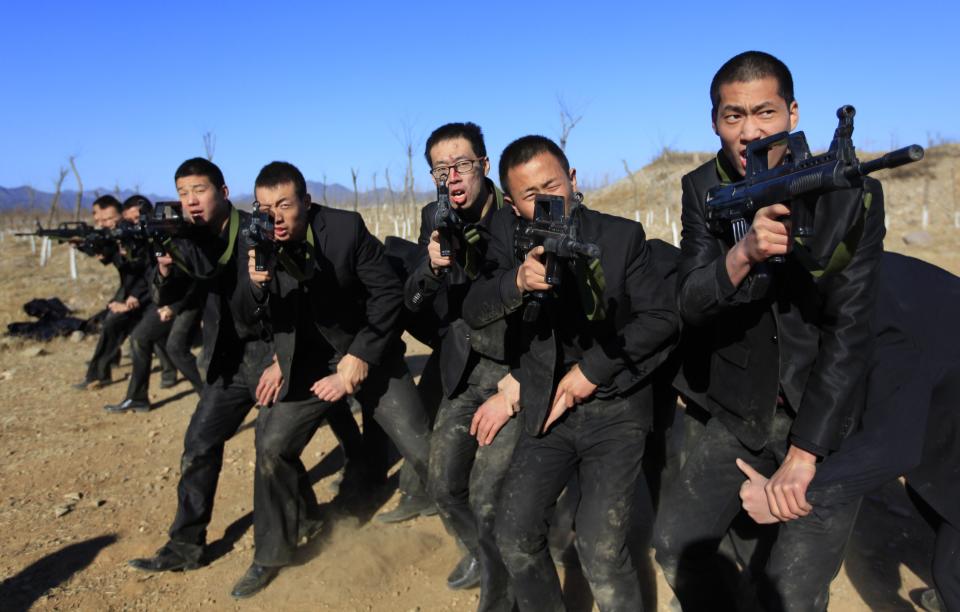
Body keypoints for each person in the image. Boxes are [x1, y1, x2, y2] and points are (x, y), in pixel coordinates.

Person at [653, 50, 885, 611]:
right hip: (741, 407)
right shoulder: (701, 187)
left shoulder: (850, 190)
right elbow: (690, 300)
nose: (749, 131)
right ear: (714, 121)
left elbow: (850, 327)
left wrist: (806, 454)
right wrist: (742, 256)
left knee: (794, 590)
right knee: (675, 545)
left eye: (765, 113)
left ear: (794, 112)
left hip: (824, 412)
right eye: (733, 116)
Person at [463, 135, 679, 611]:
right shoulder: (509, 238)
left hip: (616, 408)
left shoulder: (622, 237)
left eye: (552, 185)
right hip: (549, 409)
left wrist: (591, 371)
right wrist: (516, 282)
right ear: (512, 203)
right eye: (529, 195)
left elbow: (662, 319)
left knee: (601, 552)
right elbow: (475, 307)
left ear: (573, 179)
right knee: (514, 536)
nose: (545, 201)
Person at [127, 159, 362, 581]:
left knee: (272, 445)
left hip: (275, 353)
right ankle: (186, 543)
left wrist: (279, 357)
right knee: (199, 442)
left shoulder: (258, 228)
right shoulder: (187, 238)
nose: (191, 200)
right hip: (229, 360)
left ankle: (295, 527)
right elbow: (175, 292)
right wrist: (164, 266)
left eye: (199, 190)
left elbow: (296, 296)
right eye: (182, 193)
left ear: (222, 190)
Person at [232, 161, 436, 598]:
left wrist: (360, 355)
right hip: (305, 365)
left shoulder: (344, 229)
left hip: (368, 352)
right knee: (271, 447)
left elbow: (386, 294)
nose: (275, 216)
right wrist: (255, 286)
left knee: (424, 448)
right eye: (265, 207)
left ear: (306, 201)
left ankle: (483, 544)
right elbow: (246, 319)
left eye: (285, 205)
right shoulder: (254, 240)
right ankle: (271, 553)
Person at [737, 252, 960, 612]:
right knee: (930, 498)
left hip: (944, 419)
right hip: (945, 402)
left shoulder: (882, 323)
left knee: (949, 569)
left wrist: (789, 496)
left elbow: (893, 447)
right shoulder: (857, 268)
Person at [403, 122, 518, 604]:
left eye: (462, 165)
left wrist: (518, 383)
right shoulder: (434, 215)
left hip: (514, 371)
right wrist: (431, 267)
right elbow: (411, 300)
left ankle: (501, 589)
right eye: (440, 169)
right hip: (465, 367)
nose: (451, 177)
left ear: (485, 167)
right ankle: (480, 551)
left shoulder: (516, 214)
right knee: (444, 485)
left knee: (489, 495)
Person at [104, 195, 203, 413]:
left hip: (188, 300)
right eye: (130, 222)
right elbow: (146, 274)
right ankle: (142, 395)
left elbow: (195, 275)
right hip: (167, 299)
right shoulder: (149, 239)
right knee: (151, 339)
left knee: (172, 347)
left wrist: (171, 307)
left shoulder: (174, 234)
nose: (135, 226)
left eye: (138, 220)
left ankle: (210, 399)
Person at [72, 195, 151, 390]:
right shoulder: (114, 235)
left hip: (144, 291)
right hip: (128, 290)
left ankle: (100, 374)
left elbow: (147, 270)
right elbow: (108, 255)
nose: (104, 224)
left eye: (108, 219)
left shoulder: (137, 235)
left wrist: (132, 297)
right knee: (111, 323)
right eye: (99, 220)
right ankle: (103, 367)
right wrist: (83, 245)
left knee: (116, 324)